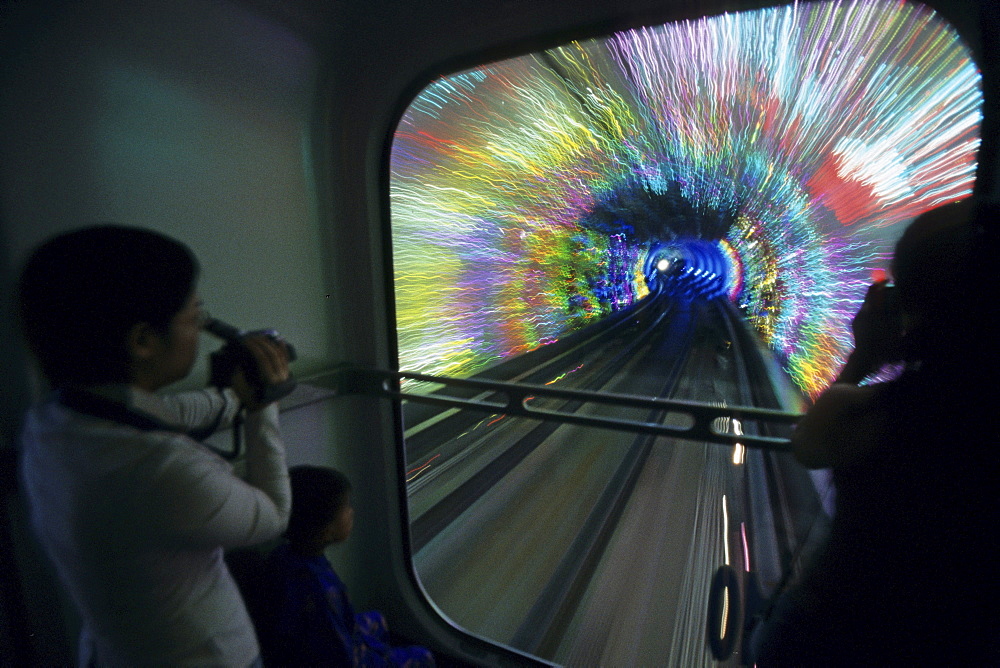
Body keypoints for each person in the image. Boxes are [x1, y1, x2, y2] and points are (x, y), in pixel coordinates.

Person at [16, 225, 292, 667]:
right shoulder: (162, 470)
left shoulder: (51, 421)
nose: (202, 329)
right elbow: (273, 515)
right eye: (194, 317)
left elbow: (157, 413)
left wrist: (232, 398)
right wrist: (263, 407)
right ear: (143, 340)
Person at [750, 199, 997, 664]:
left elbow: (807, 445)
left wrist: (865, 354)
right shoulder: (975, 417)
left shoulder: (880, 412)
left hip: (834, 629)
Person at [265, 465, 435, 667]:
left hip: (317, 645)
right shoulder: (320, 592)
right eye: (345, 507)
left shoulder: (284, 556)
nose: (351, 511)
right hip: (344, 656)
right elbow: (344, 658)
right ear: (327, 531)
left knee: (377, 619)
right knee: (423, 656)